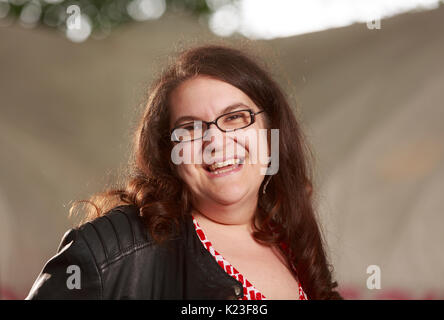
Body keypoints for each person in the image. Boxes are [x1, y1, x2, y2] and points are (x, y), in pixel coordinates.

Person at [26, 43, 342, 300]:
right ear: (170, 154)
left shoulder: (293, 239)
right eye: (190, 128)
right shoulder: (115, 247)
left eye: (235, 117)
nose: (216, 142)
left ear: (271, 132)